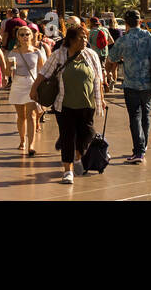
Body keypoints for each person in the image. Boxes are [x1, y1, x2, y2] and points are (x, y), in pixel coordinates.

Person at [30, 25, 105, 184]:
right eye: (81, 37)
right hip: (64, 106)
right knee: (67, 137)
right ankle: (67, 170)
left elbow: (98, 79)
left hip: (87, 105)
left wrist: (102, 99)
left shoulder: (91, 55)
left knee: (87, 134)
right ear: (71, 40)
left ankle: (78, 157)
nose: (85, 40)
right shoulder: (58, 55)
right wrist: (34, 88)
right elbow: (44, 73)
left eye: (85, 37)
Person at [107, 9, 151, 164]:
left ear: (126, 24)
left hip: (131, 85)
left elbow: (111, 58)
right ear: (140, 22)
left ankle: (139, 151)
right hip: (149, 84)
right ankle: (144, 146)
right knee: (145, 115)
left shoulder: (123, 40)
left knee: (134, 117)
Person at [5, 24, 46, 156]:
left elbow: (42, 71)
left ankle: (31, 144)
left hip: (31, 84)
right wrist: (10, 67)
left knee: (32, 115)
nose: (24, 37)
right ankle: (22, 140)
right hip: (17, 83)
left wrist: (41, 88)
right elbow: (6, 72)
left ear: (32, 35)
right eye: (21, 35)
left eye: (27, 34)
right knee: (21, 116)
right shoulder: (13, 53)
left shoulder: (37, 52)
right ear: (18, 37)